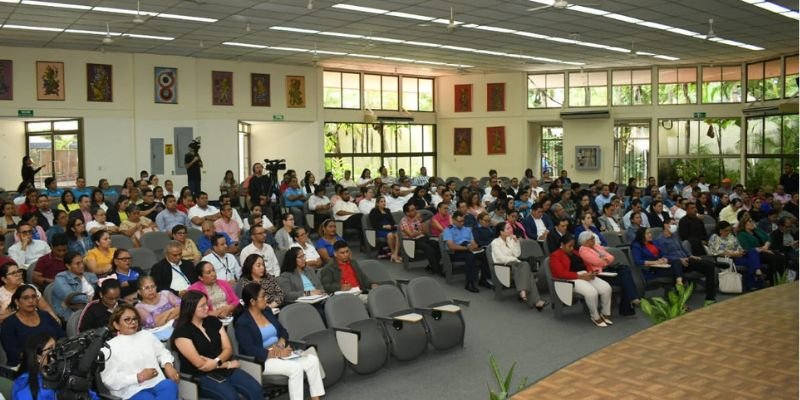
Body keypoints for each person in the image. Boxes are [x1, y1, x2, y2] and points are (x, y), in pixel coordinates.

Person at [235, 283, 325, 400]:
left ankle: (316, 398)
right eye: (263, 296)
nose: (266, 298)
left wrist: (281, 344)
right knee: (295, 369)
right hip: (262, 359)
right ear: (252, 301)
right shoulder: (243, 322)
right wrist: (274, 353)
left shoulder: (267, 311)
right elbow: (249, 349)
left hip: (279, 351)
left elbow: (283, 331)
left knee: (312, 360)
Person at [171, 290, 262, 400]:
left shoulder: (213, 321)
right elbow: (201, 365)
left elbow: (228, 349)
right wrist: (227, 364)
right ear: (191, 308)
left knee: (256, 389)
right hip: (200, 376)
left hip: (223, 368)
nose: (207, 308)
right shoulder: (181, 332)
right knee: (231, 397)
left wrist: (217, 362)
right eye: (202, 306)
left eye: (206, 304)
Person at [101, 304, 180, 399]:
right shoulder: (108, 348)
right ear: (116, 325)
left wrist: (168, 365)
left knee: (170, 385)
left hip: (157, 383)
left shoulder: (146, 335)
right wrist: (137, 377)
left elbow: (162, 352)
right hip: (131, 391)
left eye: (135, 319)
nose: (133, 322)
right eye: (127, 319)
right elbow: (109, 380)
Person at [549, 234, 613, 327]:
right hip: (571, 278)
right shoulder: (555, 256)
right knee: (591, 292)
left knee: (606, 288)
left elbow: (586, 264)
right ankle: (595, 316)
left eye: (573, 246)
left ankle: (605, 313)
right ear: (562, 244)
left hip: (585, 274)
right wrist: (580, 276)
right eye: (569, 246)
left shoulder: (575, 252)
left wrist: (591, 272)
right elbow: (561, 273)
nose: (571, 248)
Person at [12, 333, 99, 400]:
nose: (56, 353)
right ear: (38, 358)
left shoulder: (62, 373)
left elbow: (90, 395)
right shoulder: (25, 386)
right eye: (50, 349)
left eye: (56, 347)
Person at [655, 219, 717, 305]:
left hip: (687, 259)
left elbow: (682, 248)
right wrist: (680, 260)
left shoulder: (675, 236)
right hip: (675, 263)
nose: (675, 226)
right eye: (673, 224)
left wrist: (690, 255)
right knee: (680, 266)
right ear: (666, 225)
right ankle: (680, 301)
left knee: (709, 266)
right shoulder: (660, 240)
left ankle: (710, 298)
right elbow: (664, 257)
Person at [1, 285, 64, 366]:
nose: (31, 301)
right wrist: (39, 357)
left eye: (34, 297)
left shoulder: (45, 315)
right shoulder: (9, 323)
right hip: (26, 366)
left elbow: (62, 336)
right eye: (26, 298)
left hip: (55, 359)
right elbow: (12, 352)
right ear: (17, 301)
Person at [490, 222, 546, 310]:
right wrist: (513, 259)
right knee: (525, 268)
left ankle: (524, 292)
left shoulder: (510, 240)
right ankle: (534, 299)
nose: (511, 230)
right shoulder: (495, 243)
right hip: (504, 266)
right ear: (501, 232)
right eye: (508, 228)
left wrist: (516, 242)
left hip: (515, 264)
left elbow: (517, 254)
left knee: (525, 266)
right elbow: (500, 258)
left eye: (510, 228)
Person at [708, 221, 764, 291]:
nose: (728, 232)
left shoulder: (731, 236)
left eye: (729, 230)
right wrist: (733, 254)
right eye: (726, 230)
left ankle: (755, 274)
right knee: (751, 262)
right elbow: (715, 252)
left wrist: (741, 252)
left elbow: (739, 247)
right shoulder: (714, 237)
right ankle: (755, 278)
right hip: (727, 259)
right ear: (720, 230)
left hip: (737, 256)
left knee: (752, 251)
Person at [444, 211, 490, 293]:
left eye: (463, 221)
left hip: (468, 249)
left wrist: (474, 246)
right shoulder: (448, 230)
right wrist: (467, 248)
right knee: (470, 257)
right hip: (455, 252)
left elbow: (473, 242)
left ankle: (483, 279)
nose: (461, 223)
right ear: (454, 220)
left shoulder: (467, 229)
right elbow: (451, 246)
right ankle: (470, 283)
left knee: (485, 254)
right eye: (459, 221)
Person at [737, 215, 787, 286]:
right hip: (756, 254)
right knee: (774, 259)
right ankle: (772, 281)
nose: (752, 223)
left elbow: (769, 238)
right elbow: (747, 248)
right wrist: (763, 249)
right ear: (744, 224)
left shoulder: (757, 230)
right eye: (750, 221)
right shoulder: (742, 235)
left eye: (752, 221)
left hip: (766, 249)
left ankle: (780, 280)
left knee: (782, 258)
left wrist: (766, 245)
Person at [400, 203, 441, 273]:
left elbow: (425, 231)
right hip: (411, 241)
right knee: (428, 247)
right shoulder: (404, 221)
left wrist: (421, 222)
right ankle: (436, 269)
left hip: (422, 238)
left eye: (415, 209)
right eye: (412, 210)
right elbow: (411, 235)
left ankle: (432, 265)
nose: (415, 211)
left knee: (437, 244)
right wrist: (420, 231)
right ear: (407, 213)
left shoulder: (416, 218)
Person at [369, 196, 401, 263]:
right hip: (380, 230)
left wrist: (392, 226)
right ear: (377, 203)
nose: (384, 203)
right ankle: (393, 254)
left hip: (389, 229)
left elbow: (392, 222)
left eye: (384, 201)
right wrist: (384, 226)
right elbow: (374, 224)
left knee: (397, 234)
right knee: (390, 235)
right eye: (381, 201)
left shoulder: (387, 210)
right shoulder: (374, 211)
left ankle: (395, 254)